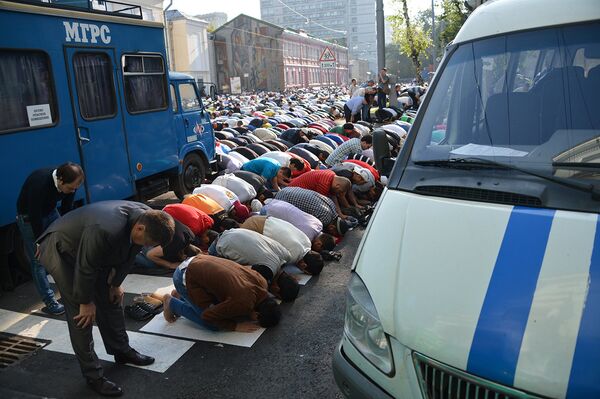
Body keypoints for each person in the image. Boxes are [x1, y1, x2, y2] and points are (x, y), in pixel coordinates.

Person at [37, 200, 175, 396]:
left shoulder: (147, 217)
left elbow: (131, 253)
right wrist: (85, 302)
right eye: (146, 242)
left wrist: (116, 283)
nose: (145, 247)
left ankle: (121, 350)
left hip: (90, 249)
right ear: (140, 227)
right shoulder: (106, 228)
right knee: (81, 315)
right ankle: (93, 376)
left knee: (111, 299)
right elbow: (86, 266)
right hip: (61, 248)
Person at [16, 162, 84, 315]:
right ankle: (50, 301)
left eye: (75, 188)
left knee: (65, 249)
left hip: (50, 211)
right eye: (70, 188)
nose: (72, 191)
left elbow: (67, 208)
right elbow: (35, 216)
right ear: (60, 180)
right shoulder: (39, 183)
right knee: (39, 260)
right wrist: (40, 242)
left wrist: (68, 231)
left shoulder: (71, 183)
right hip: (28, 218)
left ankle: (73, 292)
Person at [163, 255, 281, 332]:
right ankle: (173, 303)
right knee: (212, 325)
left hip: (197, 260)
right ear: (256, 315)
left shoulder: (263, 283)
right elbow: (207, 315)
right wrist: (235, 326)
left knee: (229, 311)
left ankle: (182, 296)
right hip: (184, 276)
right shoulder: (243, 302)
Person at [210, 228, 299, 301]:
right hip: (219, 244)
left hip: (234, 231)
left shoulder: (286, 255)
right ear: (277, 289)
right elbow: (236, 270)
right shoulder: (266, 271)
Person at [240, 216, 324, 275]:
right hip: (251, 228)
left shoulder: (307, 242)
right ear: (304, 265)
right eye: (304, 271)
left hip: (262, 218)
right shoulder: (292, 257)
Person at [274, 187, 349, 236]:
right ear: (332, 227)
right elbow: (311, 230)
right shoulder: (325, 219)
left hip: (287, 189)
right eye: (333, 233)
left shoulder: (332, 205)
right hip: (283, 199)